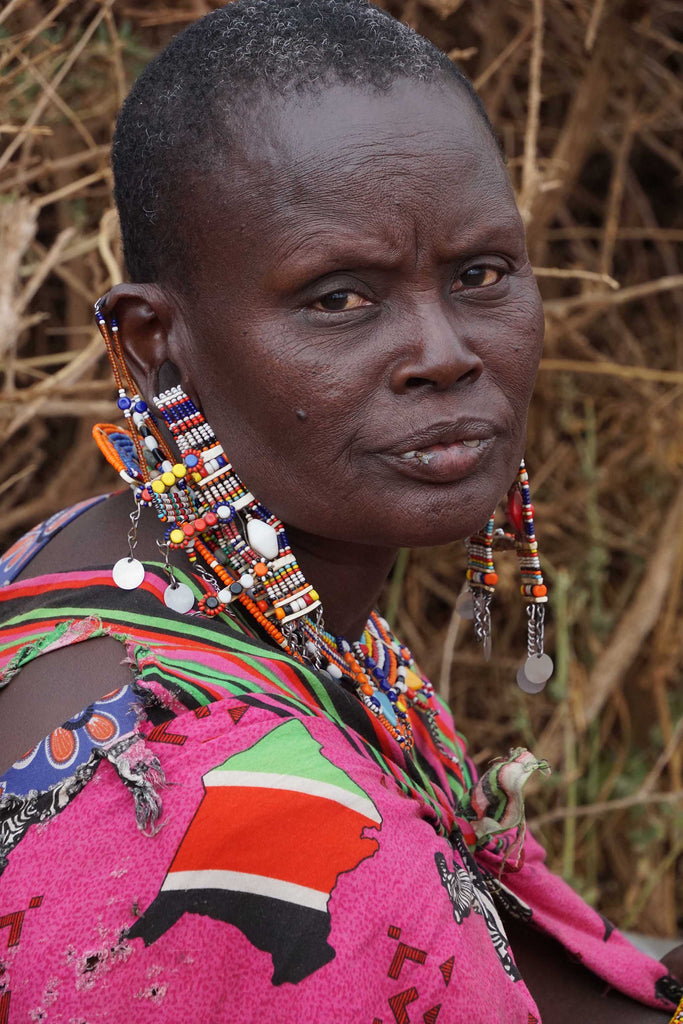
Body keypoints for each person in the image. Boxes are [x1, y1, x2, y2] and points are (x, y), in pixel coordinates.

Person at [0, 1, 681, 1021]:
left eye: (481, 274)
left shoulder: (202, 582)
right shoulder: (213, 815)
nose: (445, 351)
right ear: (152, 341)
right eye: (337, 298)